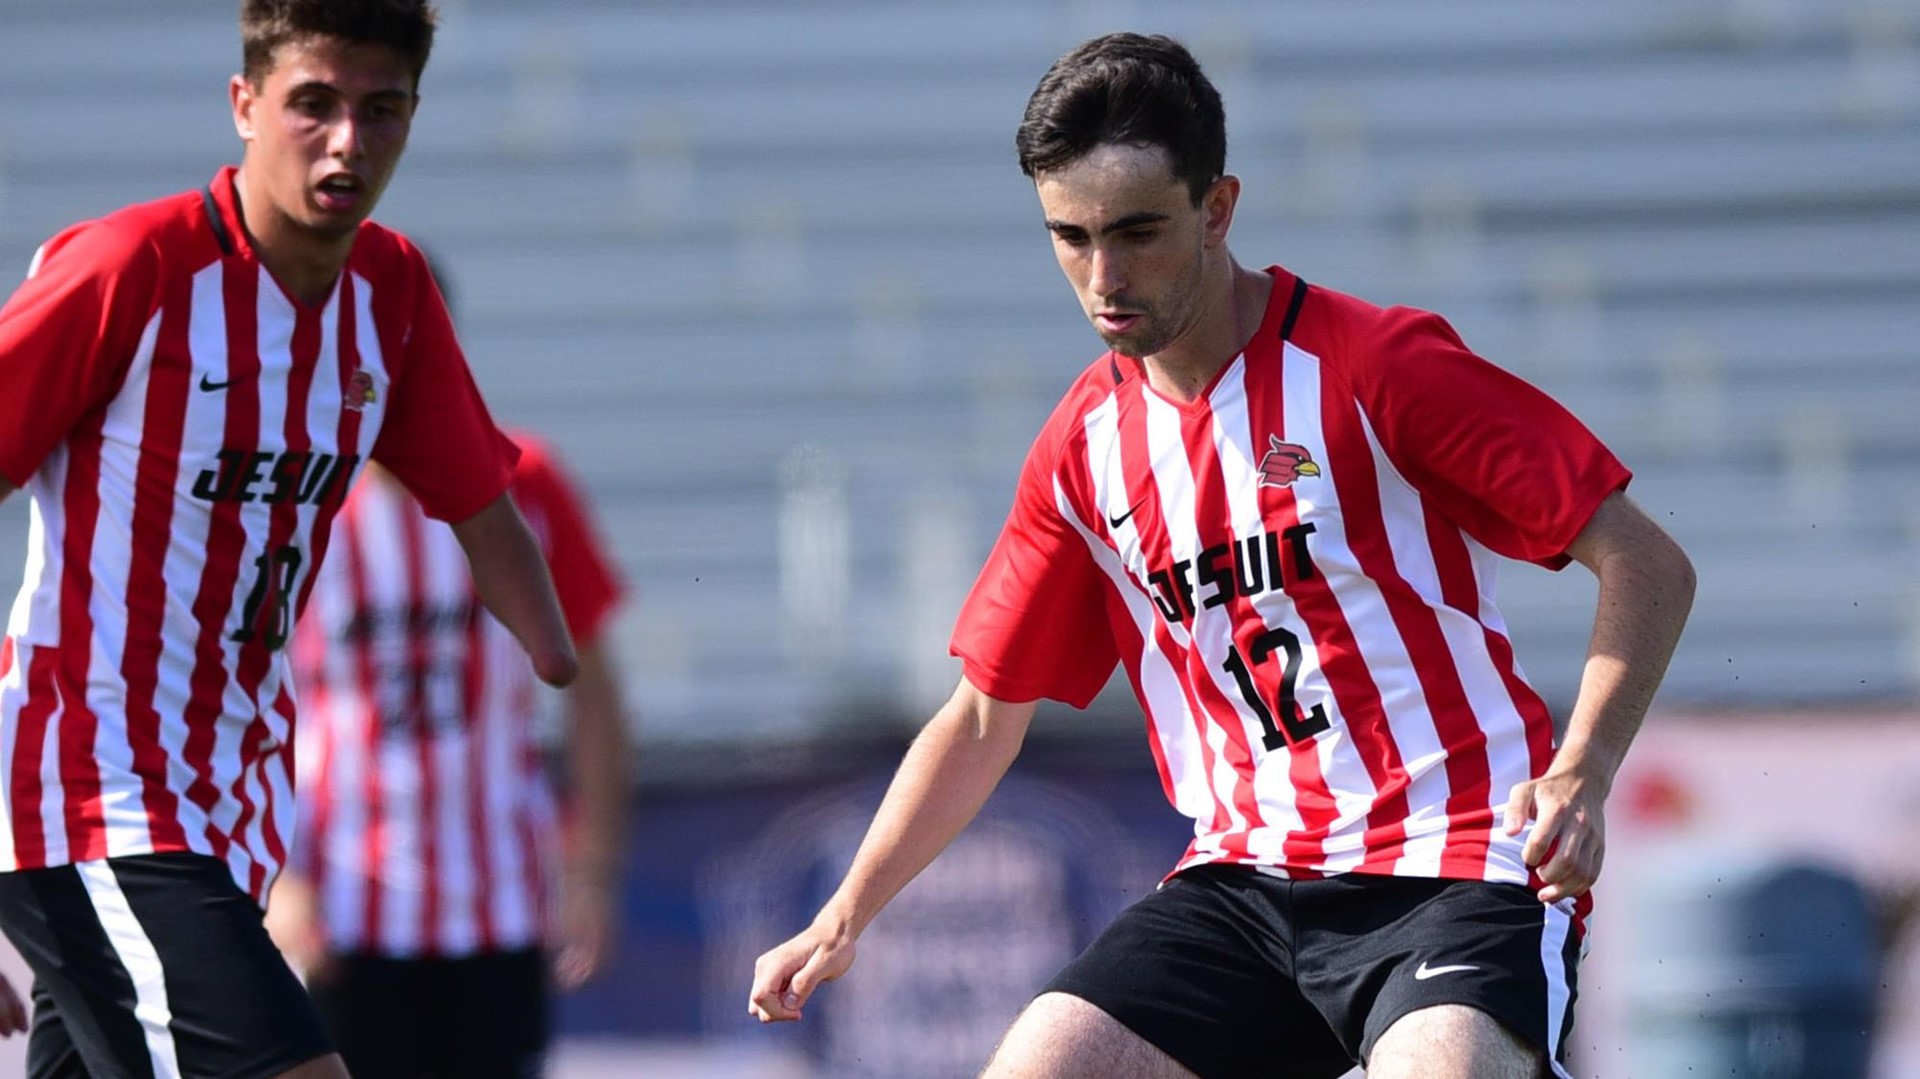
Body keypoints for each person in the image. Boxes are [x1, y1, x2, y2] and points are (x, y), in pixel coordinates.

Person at [749, 32, 1696, 1079]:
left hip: (1457, 862)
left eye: (1138, 231)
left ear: (1219, 207)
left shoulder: (1377, 366)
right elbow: (980, 716)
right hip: (1243, 880)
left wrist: (1585, 769)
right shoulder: (1081, 451)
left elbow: (1645, 561)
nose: (1102, 276)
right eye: (1070, 236)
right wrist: (845, 915)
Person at [0, 3, 578, 1077]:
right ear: (245, 104)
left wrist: (552, 647)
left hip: (230, 804)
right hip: (95, 795)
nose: (347, 141)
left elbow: (481, 508)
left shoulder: (392, 293)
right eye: (313, 104)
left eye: (380, 109)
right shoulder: (133, 268)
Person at [264, 420, 631, 1079]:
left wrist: (592, 872)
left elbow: (594, 690)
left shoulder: (526, 484)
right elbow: (241, 700)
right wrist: (277, 878)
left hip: (499, 903)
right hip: (343, 913)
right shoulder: (293, 495)